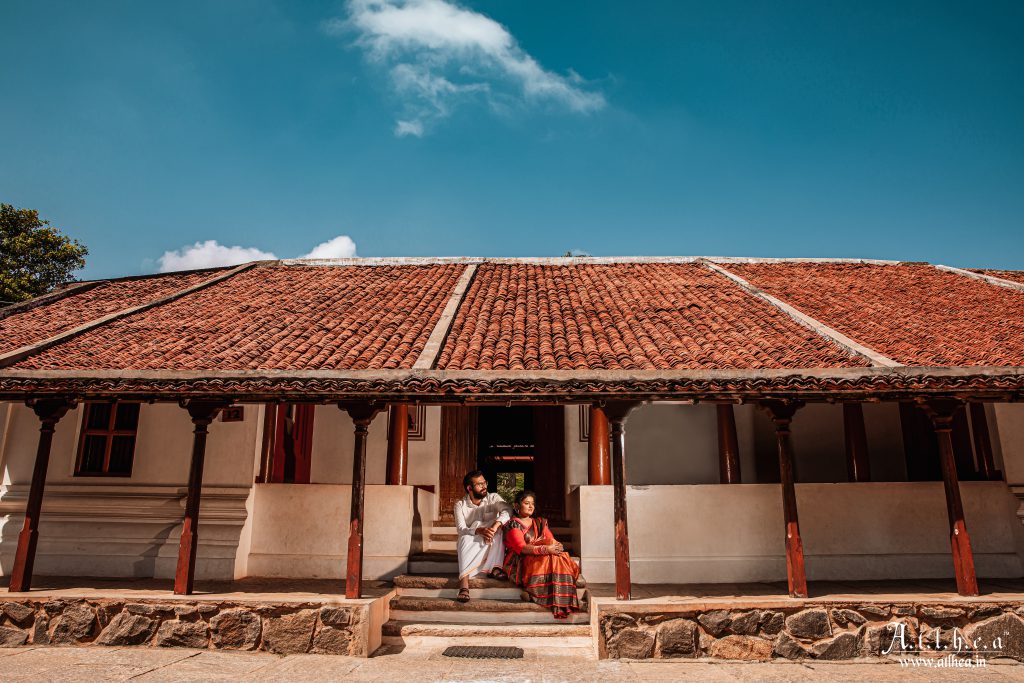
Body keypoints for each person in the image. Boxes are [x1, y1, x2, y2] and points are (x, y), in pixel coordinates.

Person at [502, 490, 583, 619]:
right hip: (520, 560)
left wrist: (557, 546)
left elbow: (551, 540)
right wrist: (546, 549)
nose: (530, 506)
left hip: (540, 556)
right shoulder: (513, 524)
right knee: (550, 553)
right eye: (526, 503)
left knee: (555, 551)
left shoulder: (540, 522)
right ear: (517, 506)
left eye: (532, 504)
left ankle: (538, 591)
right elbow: (521, 548)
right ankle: (568, 577)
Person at [454, 470, 513, 603]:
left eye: (484, 482)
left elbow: (508, 510)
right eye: (479, 484)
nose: (484, 486)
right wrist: (478, 530)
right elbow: (461, 529)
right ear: (469, 488)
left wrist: (494, 526)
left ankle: (495, 568)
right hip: (472, 537)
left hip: (490, 536)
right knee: (463, 538)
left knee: (498, 532)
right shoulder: (460, 505)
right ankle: (464, 584)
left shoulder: (493, 498)